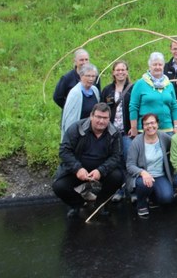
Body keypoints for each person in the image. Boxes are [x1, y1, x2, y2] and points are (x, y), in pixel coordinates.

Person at [52, 103, 123, 219]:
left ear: (109, 119)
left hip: (101, 170)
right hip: (78, 170)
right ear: (91, 116)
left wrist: (101, 171)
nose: (101, 121)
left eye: (105, 118)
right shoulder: (76, 128)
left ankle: (100, 204)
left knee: (117, 177)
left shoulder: (114, 133)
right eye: (98, 117)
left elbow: (116, 156)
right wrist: (77, 168)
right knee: (59, 186)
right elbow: (64, 151)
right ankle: (77, 204)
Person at [126, 113, 175, 218]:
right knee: (145, 184)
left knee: (167, 198)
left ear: (157, 124)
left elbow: (175, 144)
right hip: (142, 177)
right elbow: (130, 165)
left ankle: (153, 198)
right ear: (143, 127)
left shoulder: (163, 137)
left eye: (152, 123)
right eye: (146, 124)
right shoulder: (137, 141)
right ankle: (141, 203)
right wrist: (143, 173)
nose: (150, 126)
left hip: (159, 175)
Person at [101, 60, 133, 201]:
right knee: (116, 162)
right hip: (111, 133)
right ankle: (119, 190)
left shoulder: (133, 88)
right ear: (113, 72)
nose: (120, 72)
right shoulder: (107, 90)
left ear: (127, 72)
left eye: (123, 69)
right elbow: (101, 109)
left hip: (127, 132)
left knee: (129, 161)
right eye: (117, 70)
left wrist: (134, 127)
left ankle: (132, 190)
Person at [129, 52, 177, 137]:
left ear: (163, 66)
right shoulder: (140, 84)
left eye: (160, 65)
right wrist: (133, 128)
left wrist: (176, 126)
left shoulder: (169, 85)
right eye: (154, 64)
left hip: (167, 130)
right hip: (146, 130)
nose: (157, 67)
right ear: (149, 66)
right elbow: (133, 107)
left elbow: (174, 106)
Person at [61, 63, 100, 138]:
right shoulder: (75, 93)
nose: (91, 79)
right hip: (78, 134)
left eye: (93, 76)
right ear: (81, 76)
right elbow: (70, 118)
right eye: (88, 76)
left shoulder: (95, 90)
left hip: (92, 133)